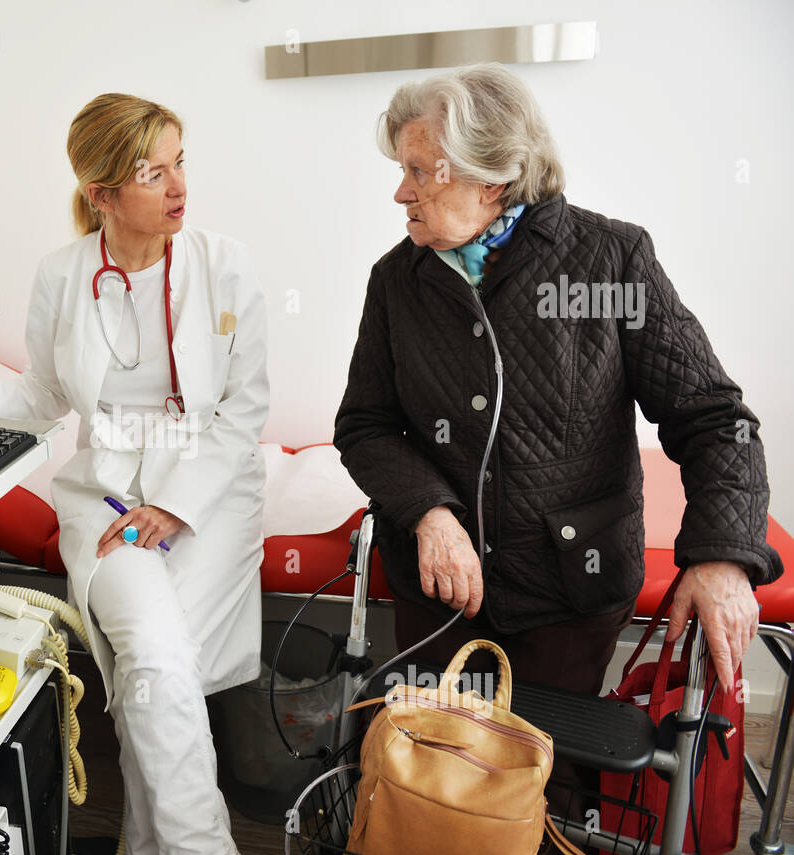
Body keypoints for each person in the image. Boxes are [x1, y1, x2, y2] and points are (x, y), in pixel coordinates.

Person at [334, 63, 782, 718]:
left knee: (543, 783)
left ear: (495, 176)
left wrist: (722, 554)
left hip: (569, 590)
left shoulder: (611, 260)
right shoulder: (396, 280)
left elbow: (714, 418)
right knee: (433, 781)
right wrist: (430, 510)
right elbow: (365, 425)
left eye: (421, 171)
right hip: (439, 593)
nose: (401, 193)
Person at [0, 93, 269, 855]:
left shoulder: (224, 265)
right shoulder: (62, 275)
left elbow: (245, 409)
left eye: (179, 162)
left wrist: (173, 504)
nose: (177, 187)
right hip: (107, 500)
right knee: (160, 665)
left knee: (151, 684)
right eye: (152, 173)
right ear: (101, 194)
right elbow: (42, 393)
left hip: (210, 495)